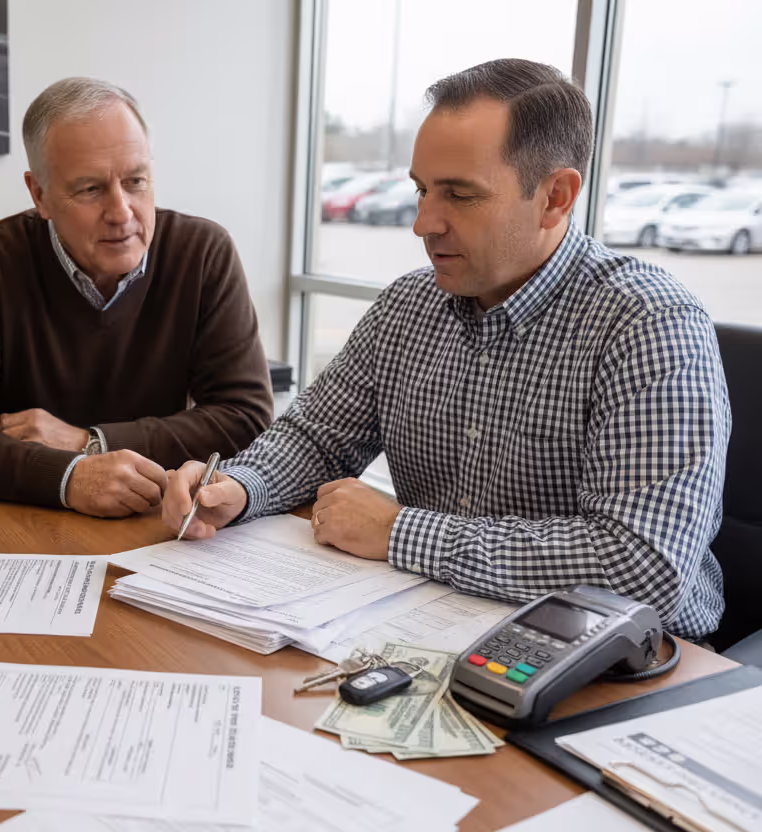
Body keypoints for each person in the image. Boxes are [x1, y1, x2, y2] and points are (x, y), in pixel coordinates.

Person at [162, 59, 730, 641]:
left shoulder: (648, 324)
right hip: (433, 620)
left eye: (459, 195)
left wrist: (400, 533)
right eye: (421, 190)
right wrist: (239, 486)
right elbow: (317, 439)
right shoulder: (410, 305)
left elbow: (640, 564)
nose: (423, 223)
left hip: (623, 662)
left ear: (556, 197)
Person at [0, 77, 273, 518]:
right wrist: (68, 477)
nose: (121, 212)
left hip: (158, 520)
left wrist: (89, 442)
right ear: (40, 194)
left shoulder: (203, 252)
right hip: (23, 522)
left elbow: (247, 419)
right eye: (91, 189)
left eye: (136, 181)